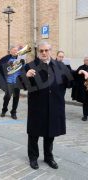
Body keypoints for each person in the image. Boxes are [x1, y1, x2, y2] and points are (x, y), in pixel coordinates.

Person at [18, 41, 88, 170]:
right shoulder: (30, 66)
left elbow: (71, 77)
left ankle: (48, 157)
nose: (44, 53)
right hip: (37, 107)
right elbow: (21, 85)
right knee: (34, 134)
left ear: (50, 51)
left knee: (50, 133)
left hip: (54, 105)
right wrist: (26, 76)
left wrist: (81, 73)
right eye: (41, 51)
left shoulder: (60, 66)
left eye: (46, 50)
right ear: (38, 52)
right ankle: (33, 158)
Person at [0, 46, 22, 119]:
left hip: (17, 82)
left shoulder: (21, 59)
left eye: (16, 50)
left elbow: (24, 69)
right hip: (8, 81)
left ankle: (13, 112)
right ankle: (4, 110)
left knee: (16, 97)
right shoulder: (5, 59)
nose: (15, 52)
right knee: (7, 96)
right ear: (10, 51)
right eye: (14, 50)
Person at [71, 56, 88, 121]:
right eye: (85, 60)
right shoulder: (81, 67)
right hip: (84, 89)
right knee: (85, 102)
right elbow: (76, 74)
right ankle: (85, 115)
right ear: (84, 61)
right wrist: (80, 72)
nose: (87, 61)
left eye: (87, 60)